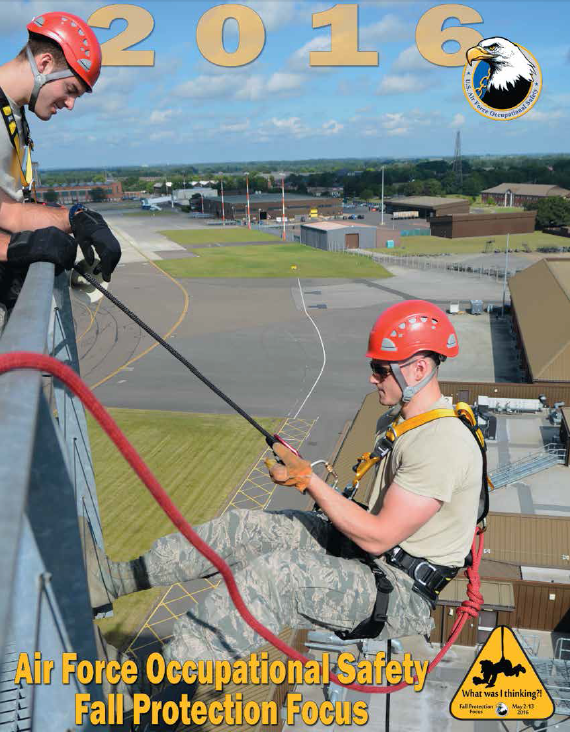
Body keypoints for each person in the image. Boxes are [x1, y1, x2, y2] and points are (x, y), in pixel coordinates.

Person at [85, 299, 483, 665]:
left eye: (381, 369)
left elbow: (379, 536)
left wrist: (310, 480)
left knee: (274, 579)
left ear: (418, 369)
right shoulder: (400, 423)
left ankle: (149, 683)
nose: (372, 378)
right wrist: (306, 473)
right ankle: (111, 581)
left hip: (399, 591)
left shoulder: (442, 443)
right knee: (243, 530)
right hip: (367, 556)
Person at [0, 12, 121, 308]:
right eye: (70, 91)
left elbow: (8, 213)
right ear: (44, 64)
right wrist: (16, 248)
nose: (70, 105)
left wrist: (75, 217)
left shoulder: (13, 116)